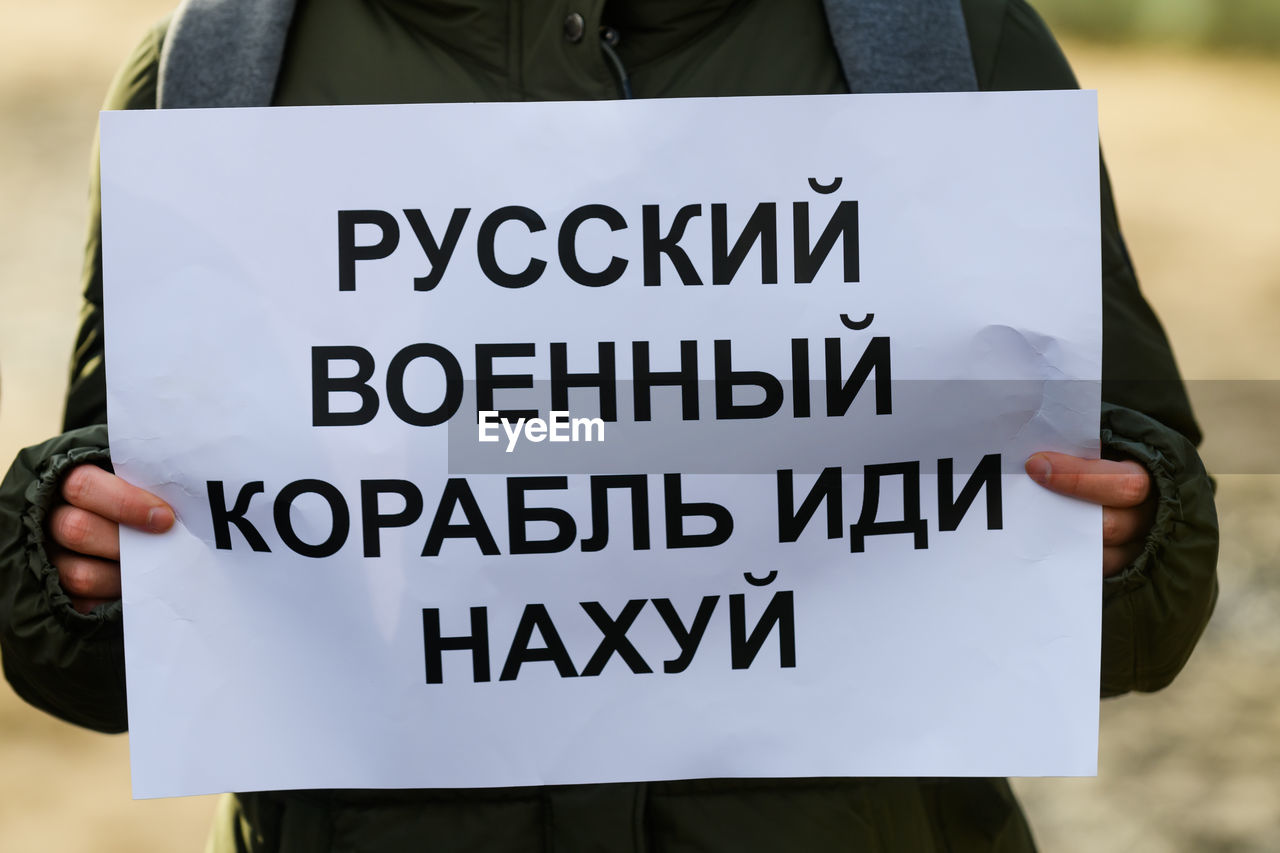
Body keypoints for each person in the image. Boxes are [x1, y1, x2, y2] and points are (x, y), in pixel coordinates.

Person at [0, 0, 1218, 850]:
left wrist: (1121, 532)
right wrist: (81, 563)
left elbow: (1149, 585)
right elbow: (121, 635)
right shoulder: (211, 73)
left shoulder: (945, 46)